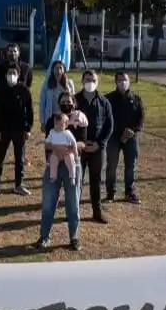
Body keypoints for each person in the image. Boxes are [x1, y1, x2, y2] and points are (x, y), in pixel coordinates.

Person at [36, 112, 83, 250]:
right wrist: (56, 148)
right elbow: (48, 144)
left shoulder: (80, 120)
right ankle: (44, 236)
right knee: (48, 203)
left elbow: (83, 143)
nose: (66, 103)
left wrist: (68, 150)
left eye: (69, 101)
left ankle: (74, 237)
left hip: (72, 164)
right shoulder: (54, 119)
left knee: (73, 202)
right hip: (54, 163)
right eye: (63, 101)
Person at [75, 70, 114, 224]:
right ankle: (74, 211)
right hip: (79, 148)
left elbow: (109, 125)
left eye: (93, 79)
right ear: (82, 81)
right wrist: (79, 144)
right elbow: (69, 124)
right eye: (87, 79)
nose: (90, 82)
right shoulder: (75, 100)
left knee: (96, 180)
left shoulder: (104, 102)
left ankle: (97, 212)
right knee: (76, 179)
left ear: (97, 82)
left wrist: (99, 143)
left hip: (98, 148)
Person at [0, 65, 34, 196]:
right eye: (9, 72)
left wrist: (28, 128)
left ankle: (19, 185)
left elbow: (30, 111)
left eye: (14, 72)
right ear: (5, 74)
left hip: (19, 130)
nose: (11, 75)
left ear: (19, 75)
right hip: (2, 130)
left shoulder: (24, 91)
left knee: (19, 158)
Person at [105, 71, 145, 204]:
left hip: (131, 138)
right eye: (120, 80)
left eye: (125, 80)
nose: (123, 83)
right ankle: (110, 192)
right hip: (113, 138)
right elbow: (105, 118)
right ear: (116, 82)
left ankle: (130, 192)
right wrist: (117, 131)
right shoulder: (108, 99)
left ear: (129, 81)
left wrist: (133, 130)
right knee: (112, 165)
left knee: (131, 166)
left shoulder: (136, 99)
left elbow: (141, 118)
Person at [39, 60, 75, 131]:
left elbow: (73, 102)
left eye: (60, 68)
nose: (58, 70)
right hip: (51, 117)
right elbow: (42, 104)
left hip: (65, 117)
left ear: (64, 70)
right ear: (52, 70)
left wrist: (68, 89)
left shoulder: (69, 83)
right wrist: (42, 122)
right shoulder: (46, 85)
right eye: (56, 68)